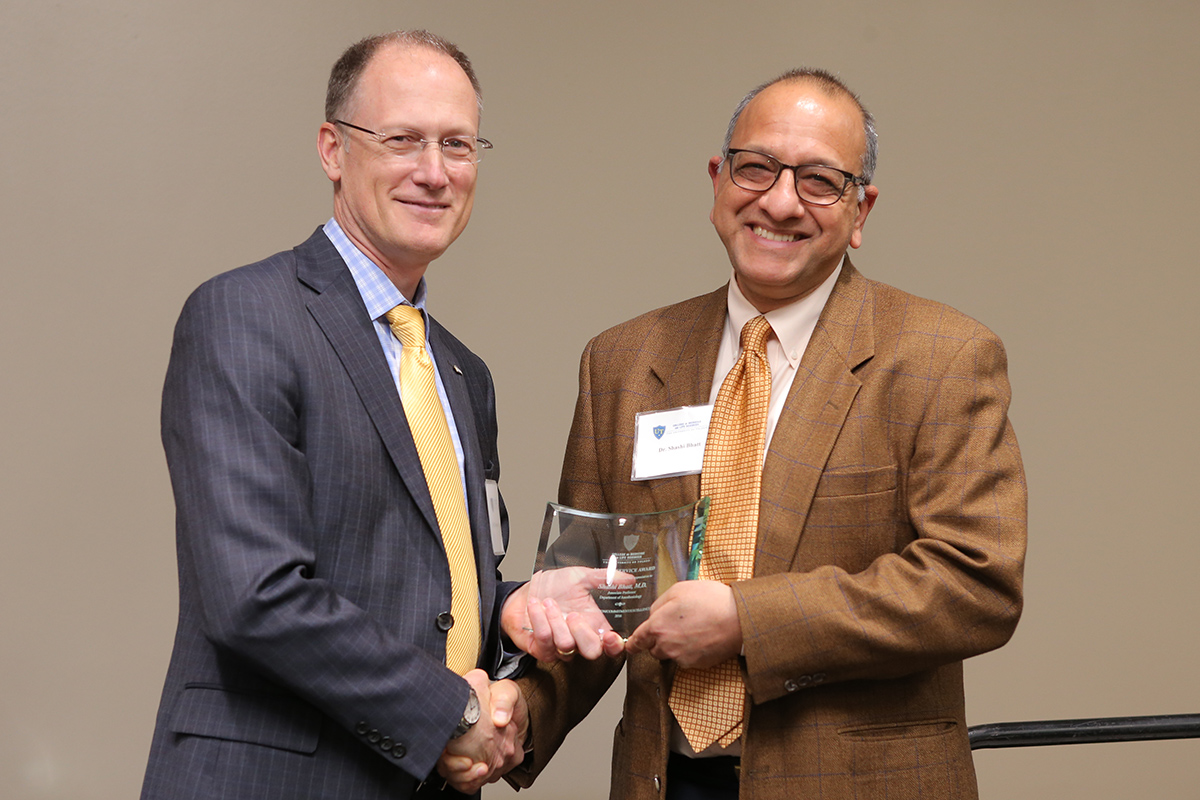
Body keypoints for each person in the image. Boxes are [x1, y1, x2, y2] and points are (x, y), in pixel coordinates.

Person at [507, 69, 1028, 800]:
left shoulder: (941, 357)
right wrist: (515, 715)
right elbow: (599, 596)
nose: (780, 201)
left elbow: (975, 584)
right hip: (665, 779)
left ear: (860, 210)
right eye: (756, 168)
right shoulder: (622, 361)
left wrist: (748, 621)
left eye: (820, 180)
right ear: (719, 180)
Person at [140, 30, 614, 800]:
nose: (434, 172)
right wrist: (456, 711)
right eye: (402, 140)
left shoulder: (462, 372)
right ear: (333, 149)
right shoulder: (243, 315)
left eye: (457, 145)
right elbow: (255, 594)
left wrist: (512, 609)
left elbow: (428, 590)